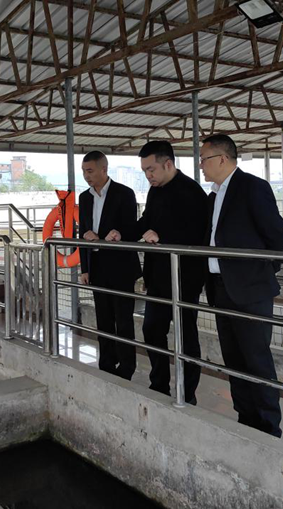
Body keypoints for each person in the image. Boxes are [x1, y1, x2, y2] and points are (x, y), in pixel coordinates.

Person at [200, 134, 283, 437]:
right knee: (234, 359)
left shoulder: (252, 187)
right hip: (221, 287)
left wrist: (261, 271)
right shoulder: (214, 196)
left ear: (222, 159)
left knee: (256, 358)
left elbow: (276, 235)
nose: (201, 166)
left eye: (204, 159)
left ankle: (268, 427)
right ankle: (246, 420)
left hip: (250, 289)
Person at [107, 141, 208, 403]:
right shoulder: (155, 191)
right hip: (158, 276)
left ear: (168, 164)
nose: (148, 175)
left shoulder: (192, 192)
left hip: (185, 278)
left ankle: (187, 393)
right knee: (152, 329)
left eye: (151, 169)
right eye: (144, 171)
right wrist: (122, 233)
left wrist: (162, 237)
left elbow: (198, 235)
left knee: (186, 336)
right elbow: (146, 223)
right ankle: (159, 384)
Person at [79, 151, 142, 380]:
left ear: (103, 169)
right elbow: (82, 232)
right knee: (103, 318)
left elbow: (130, 228)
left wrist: (105, 237)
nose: (86, 176)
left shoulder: (124, 193)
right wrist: (85, 268)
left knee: (123, 320)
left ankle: (126, 367)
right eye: (84, 172)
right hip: (97, 266)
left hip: (120, 266)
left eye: (90, 171)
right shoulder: (84, 198)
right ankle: (106, 363)